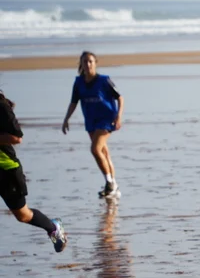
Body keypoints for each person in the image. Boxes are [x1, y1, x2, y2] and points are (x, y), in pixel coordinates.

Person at [2, 91, 67, 253]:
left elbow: (17, 137)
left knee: (22, 215)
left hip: (6, 170)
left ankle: (53, 227)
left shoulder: (1, 106)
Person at [62, 51, 122, 198]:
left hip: (106, 119)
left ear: (95, 63)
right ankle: (113, 186)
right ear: (81, 64)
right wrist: (66, 119)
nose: (88, 64)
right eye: (85, 62)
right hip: (91, 121)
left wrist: (118, 117)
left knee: (95, 149)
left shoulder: (104, 80)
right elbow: (74, 102)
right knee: (104, 153)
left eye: (90, 61)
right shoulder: (78, 83)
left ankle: (109, 182)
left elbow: (120, 98)